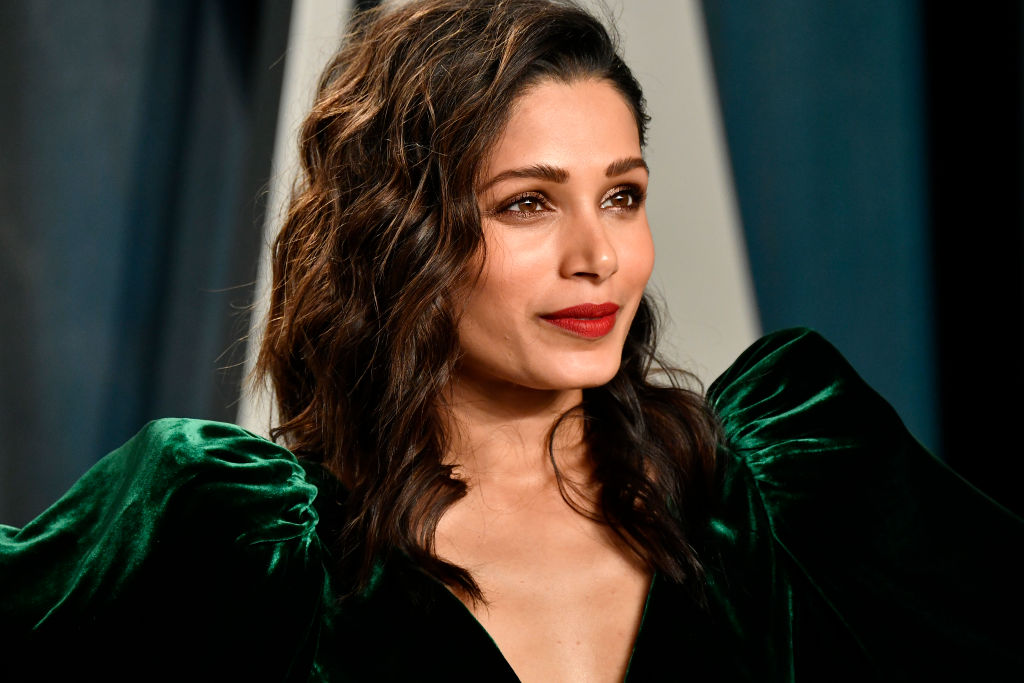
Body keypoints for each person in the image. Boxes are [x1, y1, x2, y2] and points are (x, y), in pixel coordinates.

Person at [2, 0, 1021, 681]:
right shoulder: (237, 541)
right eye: (528, 202)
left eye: (621, 195)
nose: (598, 255)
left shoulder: (780, 492)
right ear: (401, 236)